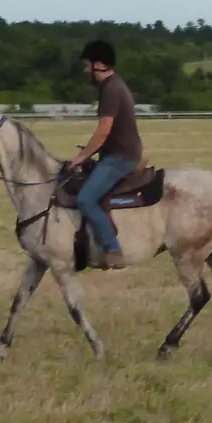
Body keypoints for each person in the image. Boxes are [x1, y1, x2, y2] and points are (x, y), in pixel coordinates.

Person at [67, 39, 143, 260]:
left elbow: (103, 130)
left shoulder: (111, 90)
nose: (85, 69)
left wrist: (82, 156)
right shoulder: (112, 86)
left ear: (98, 65)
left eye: (87, 64)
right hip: (115, 152)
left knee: (85, 199)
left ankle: (112, 248)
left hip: (121, 157)